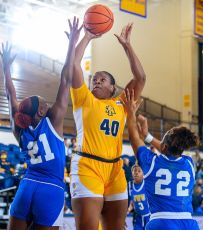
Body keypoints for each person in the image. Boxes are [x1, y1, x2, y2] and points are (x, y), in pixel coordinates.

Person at [0, 17, 81, 230]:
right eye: (43, 102)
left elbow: (10, 94)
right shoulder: (53, 122)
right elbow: (66, 79)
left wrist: (6, 68)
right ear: (42, 110)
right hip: (51, 190)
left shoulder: (20, 129)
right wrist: (72, 42)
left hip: (27, 187)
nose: (46, 101)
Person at [70, 22, 146, 230]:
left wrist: (127, 46)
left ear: (113, 88)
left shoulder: (122, 103)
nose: (96, 81)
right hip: (88, 166)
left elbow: (140, 78)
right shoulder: (84, 98)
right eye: (94, 79)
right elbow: (74, 66)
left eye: (102, 79)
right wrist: (86, 37)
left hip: (115, 168)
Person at [122, 89, 200, 230]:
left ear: (163, 146)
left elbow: (134, 137)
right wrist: (148, 137)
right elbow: (171, 149)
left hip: (161, 222)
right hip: (189, 223)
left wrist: (130, 112)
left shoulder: (151, 162)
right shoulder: (189, 163)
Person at [128, 164, 151, 230]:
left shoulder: (147, 183)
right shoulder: (130, 185)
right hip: (138, 217)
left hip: (149, 216)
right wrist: (128, 210)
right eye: (134, 171)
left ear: (143, 173)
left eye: (139, 171)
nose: (136, 173)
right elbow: (132, 201)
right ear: (132, 173)